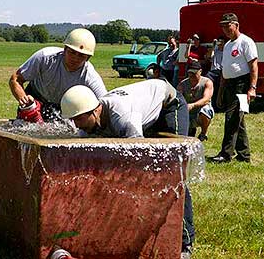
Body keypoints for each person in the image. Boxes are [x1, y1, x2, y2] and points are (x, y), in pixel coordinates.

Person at [60, 82, 195, 258]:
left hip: (169, 105)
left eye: (78, 119)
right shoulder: (90, 120)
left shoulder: (125, 118)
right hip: (144, 112)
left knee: (173, 174)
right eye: (73, 120)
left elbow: (138, 162)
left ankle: (185, 242)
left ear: (94, 111)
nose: (76, 125)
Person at [9, 28, 107, 121]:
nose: (75, 58)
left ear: (88, 58)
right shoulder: (44, 57)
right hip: (35, 97)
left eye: (81, 56)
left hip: (64, 106)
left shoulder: (90, 76)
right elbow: (15, 79)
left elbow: (104, 103)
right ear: (64, 49)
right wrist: (24, 100)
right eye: (72, 52)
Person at [212, 13, 258, 163]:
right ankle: (244, 155)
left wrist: (252, 88)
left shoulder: (246, 42)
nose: (225, 29)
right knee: (238, 119)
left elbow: (253, 66)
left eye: (228, 25)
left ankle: (226, 154)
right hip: (229, 85)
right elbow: (225, 71)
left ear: (236, 25)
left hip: (242, 84)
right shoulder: (227, 45)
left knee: (231, 117)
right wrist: (220, 93)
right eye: (223, 26)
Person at [177, 61, 214, 141]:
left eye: (194, 73)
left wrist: (192, 105)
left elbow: (206, 99)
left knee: (205, 111)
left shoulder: (207, 82)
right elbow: (178, 98)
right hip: (187, 110)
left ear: (200, 71)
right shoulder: (182, 84)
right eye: (190, 73)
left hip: (200, 109)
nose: (192, 75)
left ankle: (203, 133)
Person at [206, 36, 225, 110]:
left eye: (221, 42)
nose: (220, 43)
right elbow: (209, 57)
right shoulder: (215, 50)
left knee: (220, 88)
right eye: (219, 42)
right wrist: (213, 46)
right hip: (213, 72)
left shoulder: (226, 51)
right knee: (207, 82)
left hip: (222, 72)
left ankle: (219, 104)